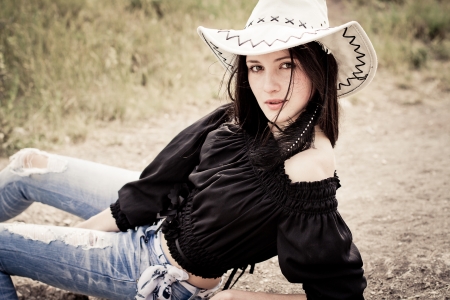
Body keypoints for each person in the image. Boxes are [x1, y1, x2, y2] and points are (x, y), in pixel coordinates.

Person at [0, 0, 377, 299]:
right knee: (25, 164)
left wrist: (241, 298)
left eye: (287, 65)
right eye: (256, 67)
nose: (269, 85)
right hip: (163, 215)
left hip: (156, 269)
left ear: (318, 68)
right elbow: (159, 182)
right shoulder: (242, 118)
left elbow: (339, 293)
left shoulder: (307, 167)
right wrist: (82, 240)